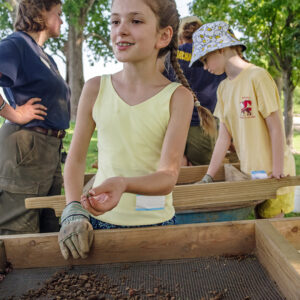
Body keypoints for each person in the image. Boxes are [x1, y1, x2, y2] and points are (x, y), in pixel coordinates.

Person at [58, 0, 216, 260]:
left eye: (136, 21)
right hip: (98, 226)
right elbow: (74, 160)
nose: (121, 30)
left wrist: (123, 183)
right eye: (115, 21)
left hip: (156, 227)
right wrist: (73, 208)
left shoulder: (178, 97)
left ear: (163, 36)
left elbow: (167, 176)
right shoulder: (95, 88)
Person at [191, 21, 295, 218]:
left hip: (274, 173)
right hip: (250, 175)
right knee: (259, 230)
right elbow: (223, 138)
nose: (205, 67)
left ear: (220, 48)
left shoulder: (258, 76)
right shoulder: (223, 88)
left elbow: (275, 127)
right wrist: (208, 177)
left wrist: (278, 172)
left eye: (205, 60)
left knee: (273, 235)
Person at [0, 0, 70, 235]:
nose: (62, 20)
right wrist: (14, 113)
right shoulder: (16, 43)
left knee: (49, 228)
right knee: (19, 232)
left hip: (48, 150)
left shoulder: (41, 54)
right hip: (26, 148)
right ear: (41, 13)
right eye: (58, 13)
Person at [163, 16, 226, 166]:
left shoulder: (168, 55)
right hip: (204, 127)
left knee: (172, 169)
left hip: (170, 127)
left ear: (179, 35)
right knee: (199, 175)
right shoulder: (214, 57)